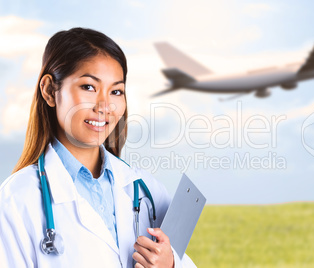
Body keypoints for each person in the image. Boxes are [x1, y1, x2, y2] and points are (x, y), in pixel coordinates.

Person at [0, 27, 196, 268]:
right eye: (89, 87)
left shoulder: (147, 191)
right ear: (50, 91)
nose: (105, 106)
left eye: (116, 91)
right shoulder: (16, 200)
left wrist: (171, 265)